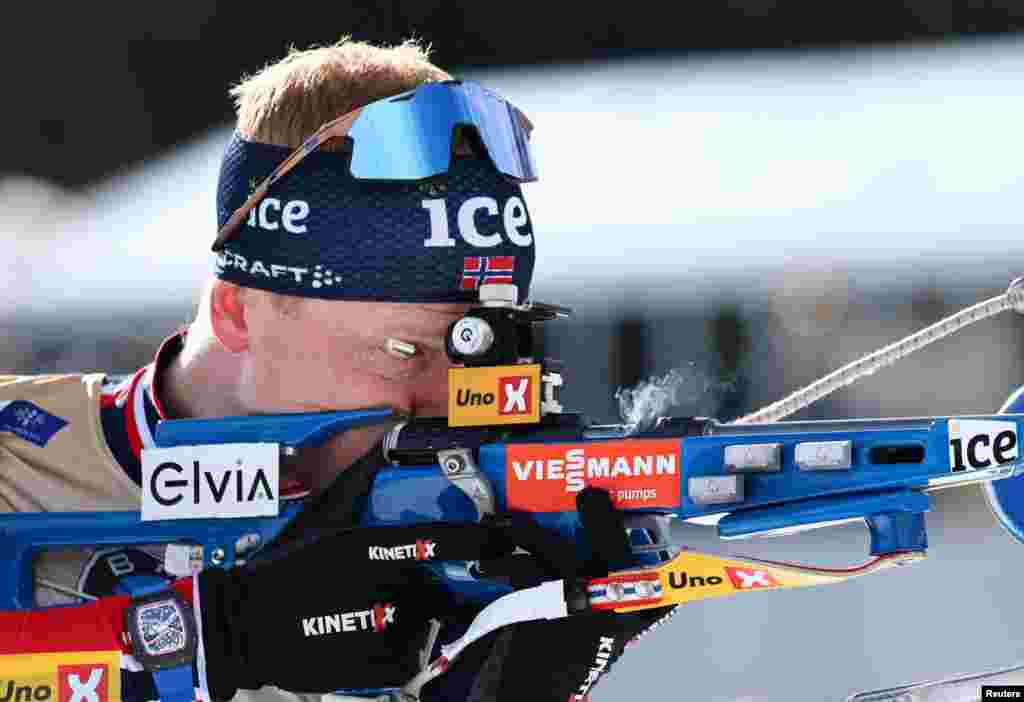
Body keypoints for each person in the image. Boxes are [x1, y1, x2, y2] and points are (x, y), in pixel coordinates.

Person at [0, 39, 673, 702]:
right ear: (239, 313)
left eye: (485, 350)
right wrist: (214, 637)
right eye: (406, 351)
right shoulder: (15, 460)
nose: (451, 399)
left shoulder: (462, 536)